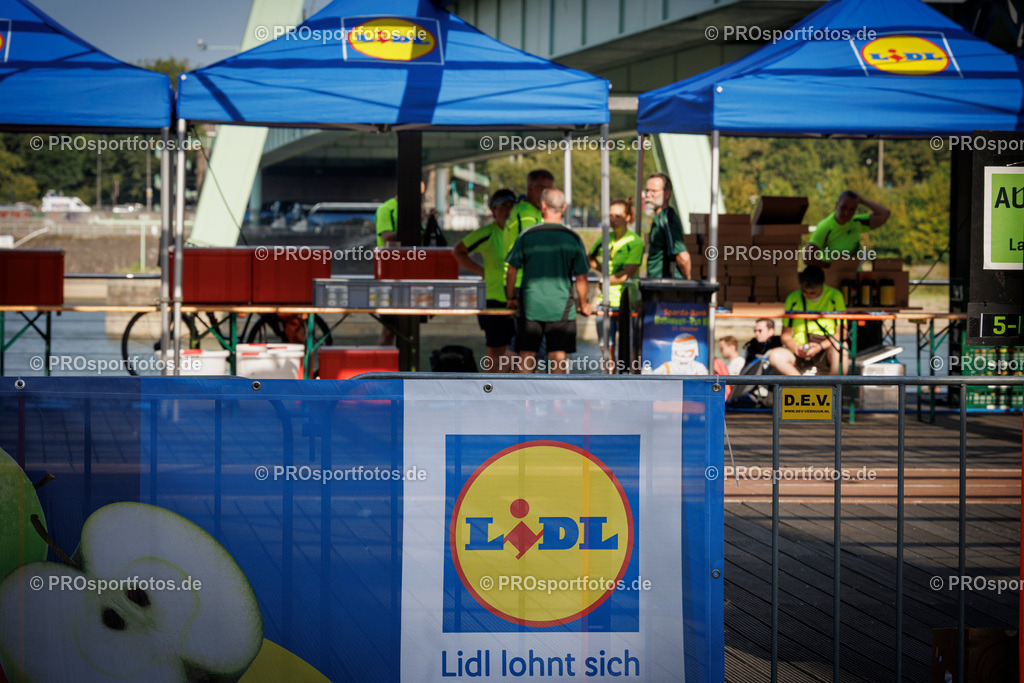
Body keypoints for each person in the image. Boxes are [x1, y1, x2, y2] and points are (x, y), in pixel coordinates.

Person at [505, 188, 592, 374]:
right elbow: (582, 278)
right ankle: (557, 402)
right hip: (561, 307)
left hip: (530, 305)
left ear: (543, 206)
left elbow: (512, 271)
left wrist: (511, 297)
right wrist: (583, 304)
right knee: (558, 358)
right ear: (564, 208)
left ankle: (523, 401)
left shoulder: (527, 236)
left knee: (526, 356)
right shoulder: (573, 239)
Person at [452, 189, 517, 373]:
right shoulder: (488, 232)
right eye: (502, 206)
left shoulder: (519, 233)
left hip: (518, 299)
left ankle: (514, 393)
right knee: (496, 350)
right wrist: (482, 271)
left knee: (520, 351)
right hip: (494, 300)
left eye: (511, 206)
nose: (508, 210)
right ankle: (491, 390)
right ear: (493, 210)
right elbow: (458, 251)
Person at [588, 198, 644, 373]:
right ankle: (607, 384)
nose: (613, 219)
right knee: (606, 349)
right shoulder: (605, 238)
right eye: (610, 215)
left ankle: (628, 383)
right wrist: (602, 272)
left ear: (628, 217)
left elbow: (627, 272)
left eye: (618, 215)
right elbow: (589, 257)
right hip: (605, 301)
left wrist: (606, 280)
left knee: (629, 349)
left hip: (626, 301)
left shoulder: (635, 241)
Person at [769, 265, 848, 375]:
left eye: (813, 293)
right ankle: (801, 385)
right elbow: (785, 335)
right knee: (775, 355)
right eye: (804, 292)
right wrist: (796, 348)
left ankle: (831, 388)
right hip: (800, 350)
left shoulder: (835, 296)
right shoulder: (793, 299)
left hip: (826, 348)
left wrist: (820, 347)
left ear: (821, 286)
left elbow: (842, 332)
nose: (808, 295)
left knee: (841, 349)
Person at [807, 190, 890, 266]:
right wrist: (833, 267)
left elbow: (885, 214)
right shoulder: (825, 226)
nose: (847, 213)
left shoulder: (856, 222)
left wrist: (862, 200)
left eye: (852, 209)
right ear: (836, 205)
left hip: (854, 279)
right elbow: (807, 257)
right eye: (844, 207)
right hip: (832, 280)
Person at [503, 169, 555, 285]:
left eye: (550, 190)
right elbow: (531, 249)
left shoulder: (534, 211)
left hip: (528, 280)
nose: (546, 194)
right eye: (542, 188)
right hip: (521, 281)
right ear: (530, 188)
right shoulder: (526, 213)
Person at [643, 173, 691, 279]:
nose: (648, 195)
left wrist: (688, 284)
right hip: (656, 285)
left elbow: (683, 257)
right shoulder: (659, 218)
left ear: (667, 194)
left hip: (665, 288)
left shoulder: (666, 220)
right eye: (647, 191)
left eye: (654, 191)